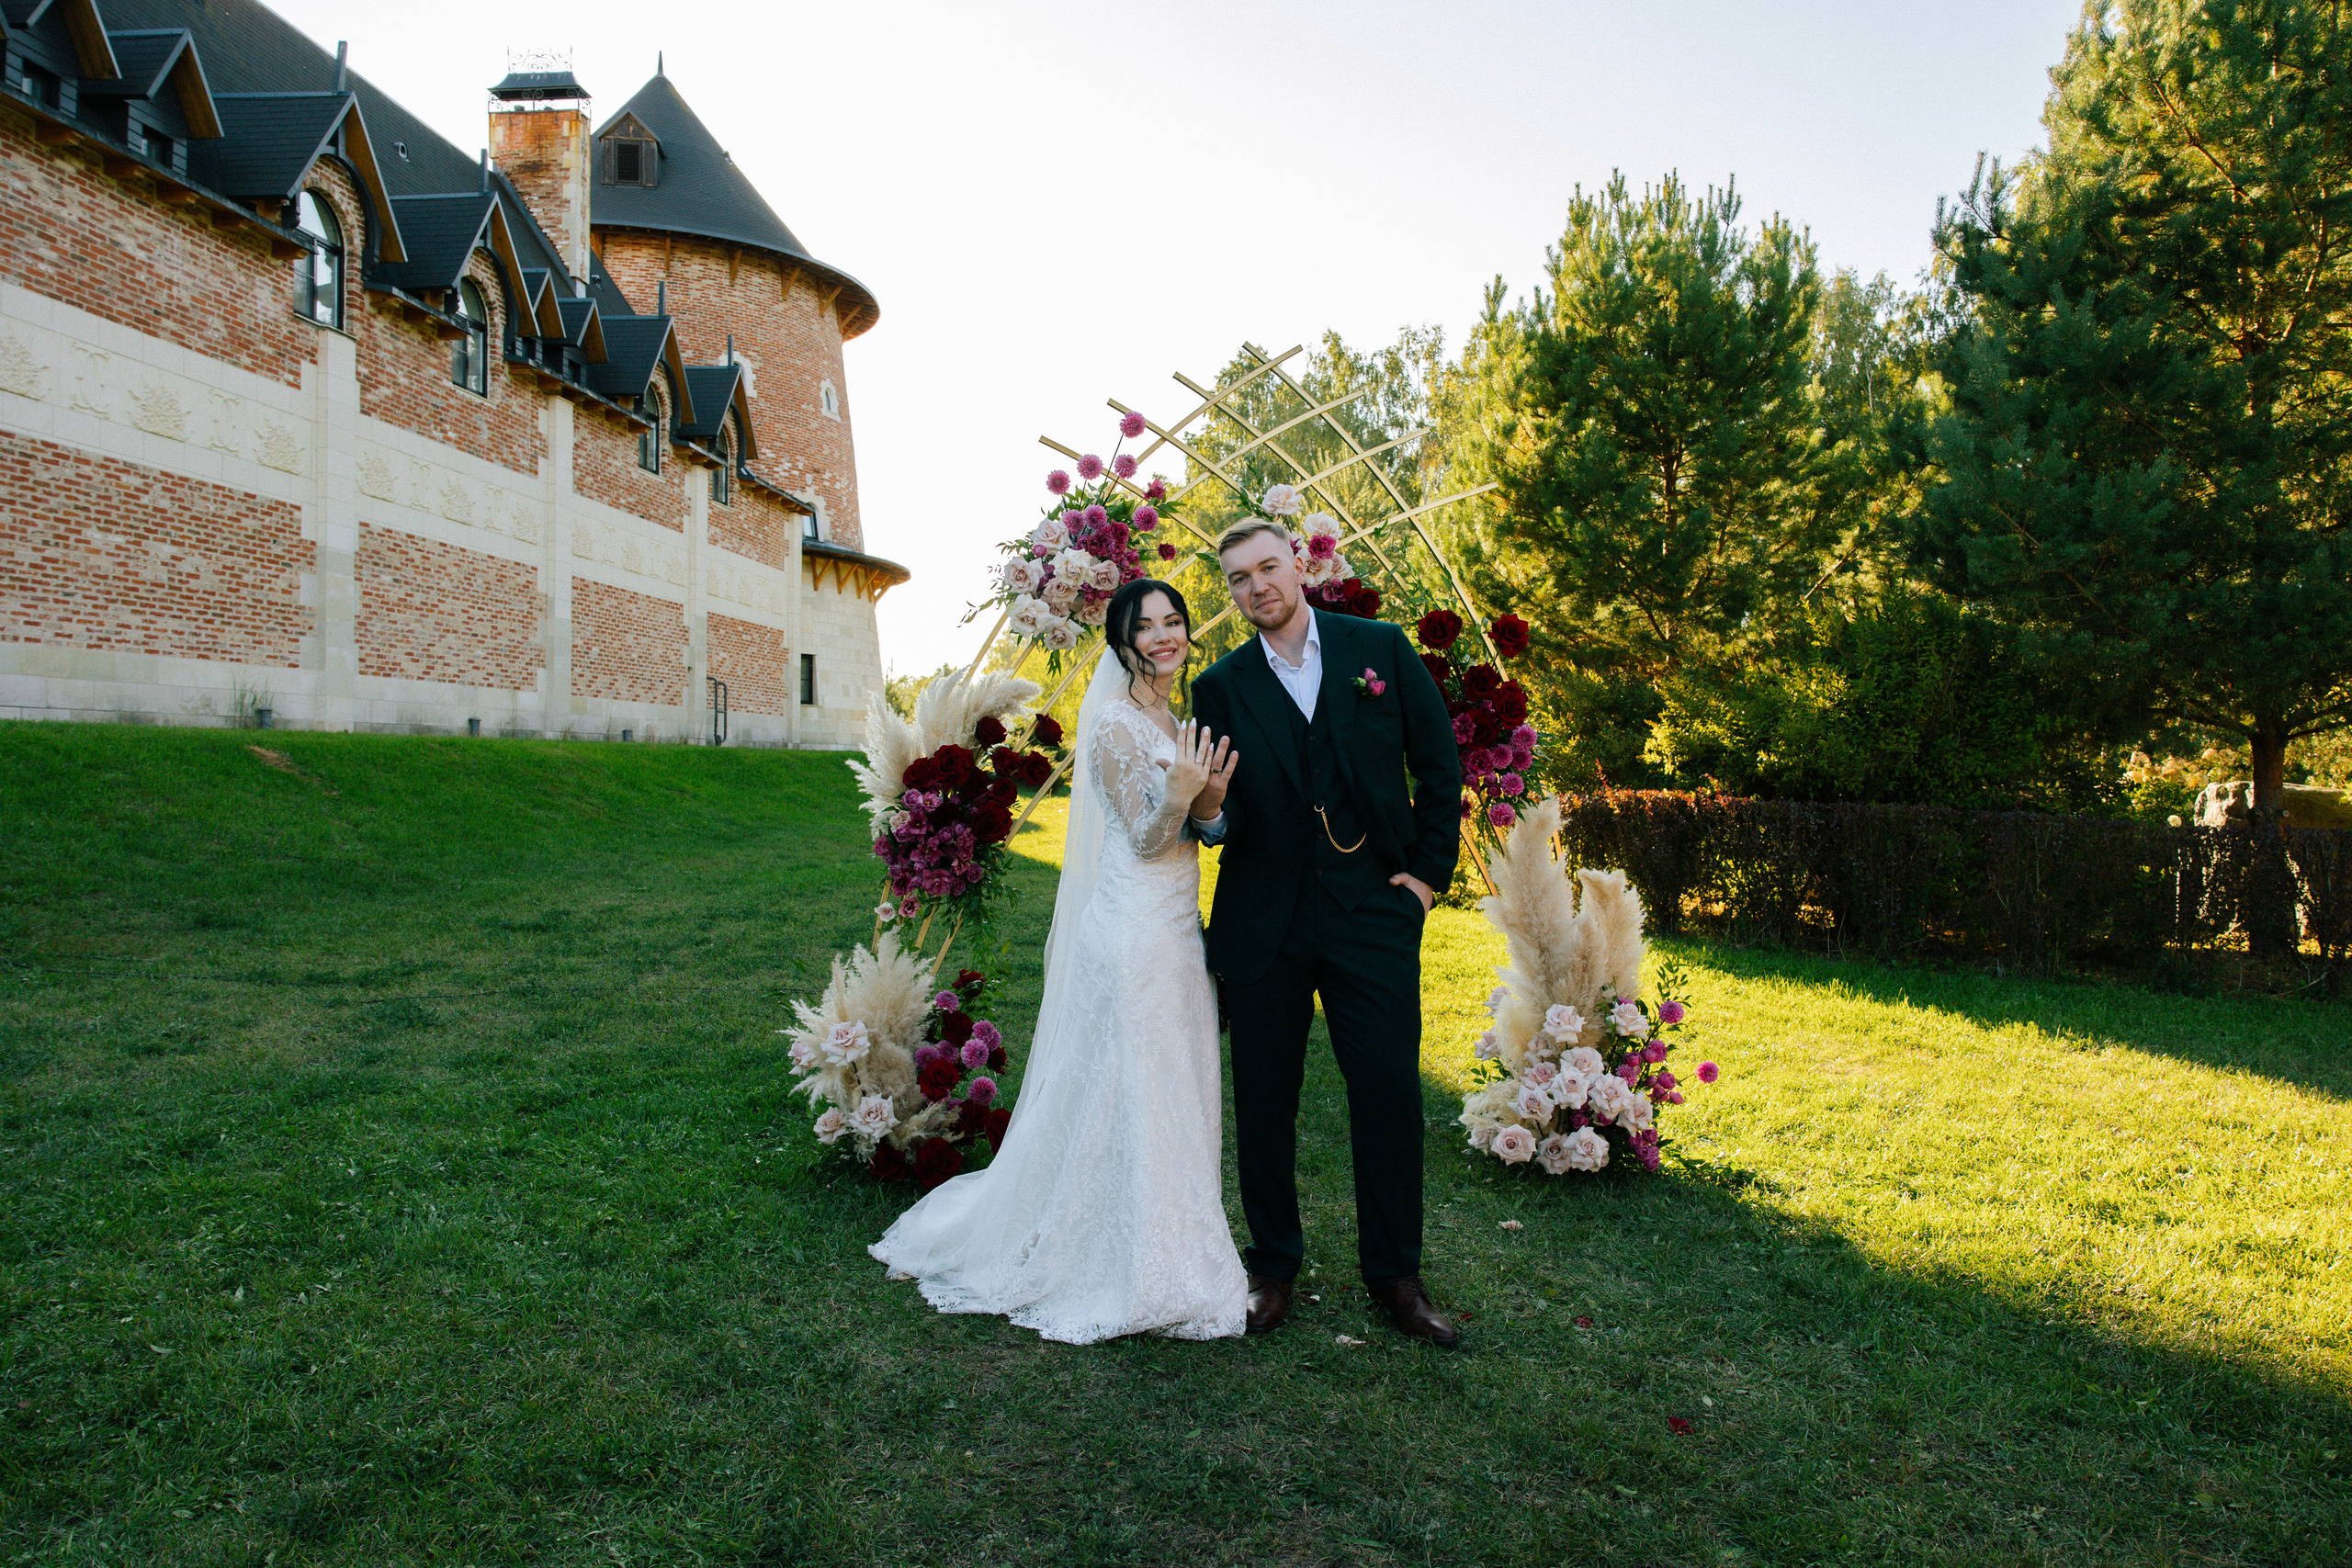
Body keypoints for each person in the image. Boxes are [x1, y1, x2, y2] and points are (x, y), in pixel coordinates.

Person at [871, 579, 1246, 1343]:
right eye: (1149, 626)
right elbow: (1143, 840)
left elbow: (1204, 826)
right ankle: (1119, 1255)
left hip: (1176, 924)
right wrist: (1181, 797)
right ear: (1123, 640)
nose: (1166, 635)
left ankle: (1168, 1233)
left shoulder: (1176, 717)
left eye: (1174, 621)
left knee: (1171, 1074)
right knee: (1134, 1079)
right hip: (1133, 924)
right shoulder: (1112, 725)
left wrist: (1210, 802)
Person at [1187, 520, 1465, 1344]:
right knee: (1264, 1101)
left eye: (1267, 567)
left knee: (1386, 1091)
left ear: (1298, 567)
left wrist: (1422, 881)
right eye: (1238, 578)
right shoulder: (1222, 685)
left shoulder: (1377, 647)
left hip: (1373, 912)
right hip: (1262, 920)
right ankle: (1271, 1267)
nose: (1256, 587)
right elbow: (1221, 813)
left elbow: (1440, 763)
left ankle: (1396, 1276)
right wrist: (1207, 814)